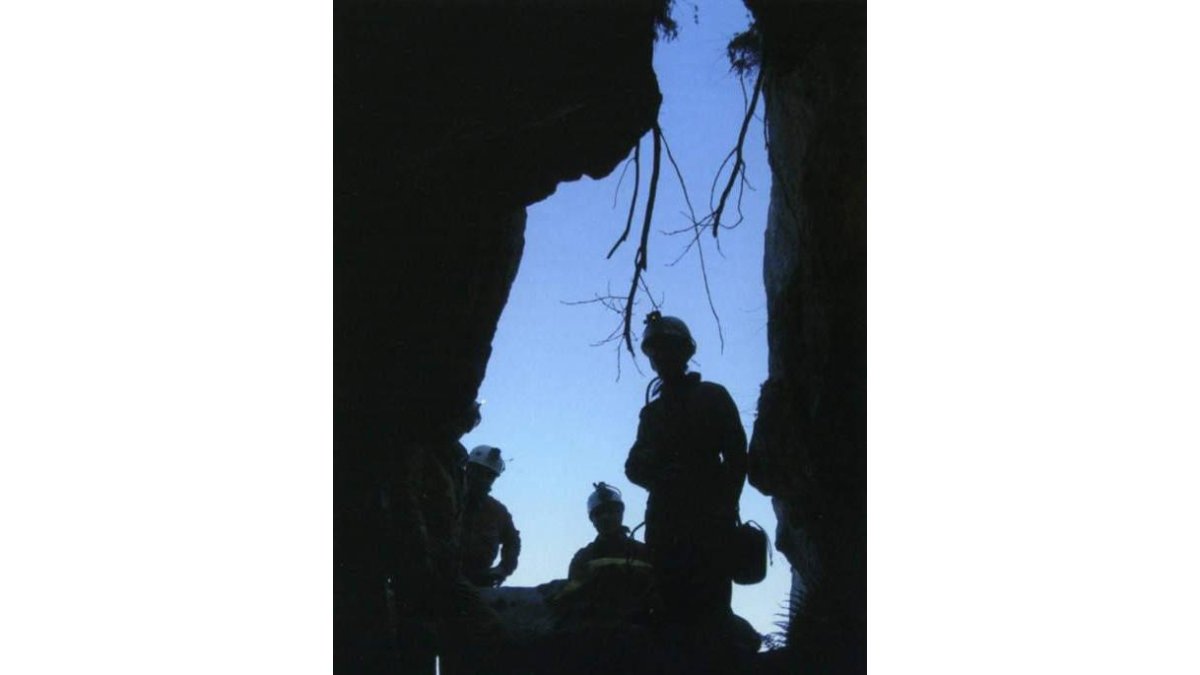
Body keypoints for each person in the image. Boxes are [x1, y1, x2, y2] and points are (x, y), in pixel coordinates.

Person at [624, 311, 747, 623]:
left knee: (711, 605)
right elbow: (634, 466)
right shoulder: (652, 413)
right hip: (666, 521)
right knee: (668, 605)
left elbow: (737, 456)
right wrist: (659, 477)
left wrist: (725, 504)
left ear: (685, 351)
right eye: (655, 351)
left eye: (668, 348)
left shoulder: (712, 396)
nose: (661, 357)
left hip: (708, 519)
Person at [460, 445, 522, 587]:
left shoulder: (497, 512)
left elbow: (513, 541)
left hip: (478, 583)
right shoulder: (445, 497)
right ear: (468, 469)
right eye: (479, 472)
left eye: (489, 476)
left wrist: (503, 569)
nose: (483, 479)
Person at [567, 482, 651, 582]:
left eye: (611, 511)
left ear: (621, 513)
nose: (605, 517)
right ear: (592, 520)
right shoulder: (583, 558)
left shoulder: (643, 552)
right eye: (599, 513)